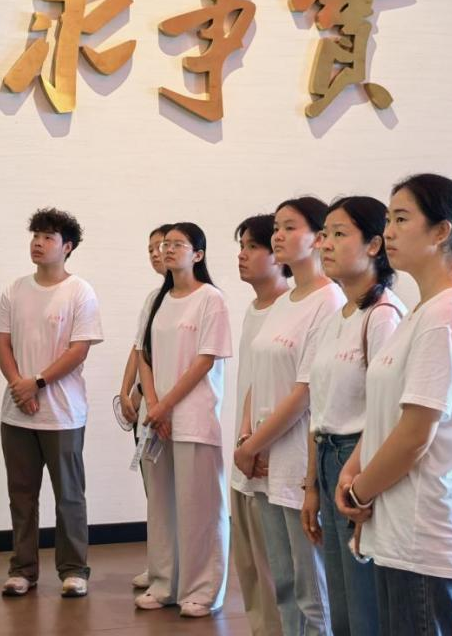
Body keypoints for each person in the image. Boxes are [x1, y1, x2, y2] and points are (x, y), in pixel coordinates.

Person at [336, 173, 452, 636]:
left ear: (441, 231)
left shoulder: (446, 315)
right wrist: (352, 469)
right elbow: (390, 414)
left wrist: (359, 491)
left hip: (427, 529)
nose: (388, 232)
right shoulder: (422, 312)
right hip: (398, 526)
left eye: (402, 219)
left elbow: (414, 435)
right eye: (388, 219)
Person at [235, 196, 345, 636]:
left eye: (289, 227)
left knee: (311, 585)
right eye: (277, 227)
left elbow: (305, 392)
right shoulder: (284, 301)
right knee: (282, 580)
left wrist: (253, 446)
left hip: (297, 457)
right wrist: (247, 441)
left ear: (318, 238)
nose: (278, 235)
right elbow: (256, 377)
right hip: (263, 457)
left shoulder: (329, 300)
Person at [303, 196, 405, 636]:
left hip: (359, 458)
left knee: (364, 598)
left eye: (340, 234)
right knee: (341, 594)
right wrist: (312, 485)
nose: (325, 243)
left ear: (374, 245)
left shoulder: (384, 317)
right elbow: (320, 406)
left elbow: (389, 411)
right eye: (324, 233)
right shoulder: (338, 315)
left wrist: (356, 476)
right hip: (329, 454)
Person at [0, 208, 104, 599]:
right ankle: (22, 570)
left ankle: (74, 570)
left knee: (69, 496)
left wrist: (36, 383)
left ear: (67, 247)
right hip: (17, 413)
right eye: (35, 235)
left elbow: (79, 350)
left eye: (48, 237)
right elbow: (2, 345)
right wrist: (19, 387)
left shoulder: (80, 291)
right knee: (21, 496)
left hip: (63, 414)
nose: (38, 243)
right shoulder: (14, 289)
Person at [135, 223, 233, 618]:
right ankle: (164, 584)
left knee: (199, 509)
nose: (168, 249)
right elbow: (143, 354)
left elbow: (204, 361)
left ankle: (203, 590)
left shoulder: (211, 299)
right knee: (161, 507)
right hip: (156, 419)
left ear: (198, 254)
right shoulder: (156, 299)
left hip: (193, 418)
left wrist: (166, 406)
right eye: (164, 244)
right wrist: (153, 404)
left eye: (178, 244)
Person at [231, 214, 288, 636]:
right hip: (246, 449)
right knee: (250, 566)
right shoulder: (255, 309)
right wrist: (244, 441)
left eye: (253, 246)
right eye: (242, 246)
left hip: (272, 454)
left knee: (278, 572)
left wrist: (256, 444)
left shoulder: (291, 308)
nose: (242, 254)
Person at [116, 223, 172, 591]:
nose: (156, 253)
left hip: (169, 409)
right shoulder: (153, 298)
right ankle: (159, 566)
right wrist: (126, 391)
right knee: (155, 493)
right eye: (150, 248)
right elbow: (139, 349)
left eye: (163, 245)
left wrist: (152, 398)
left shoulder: (200, 298)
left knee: (176, 496)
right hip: (146, 410)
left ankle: (177, 570)